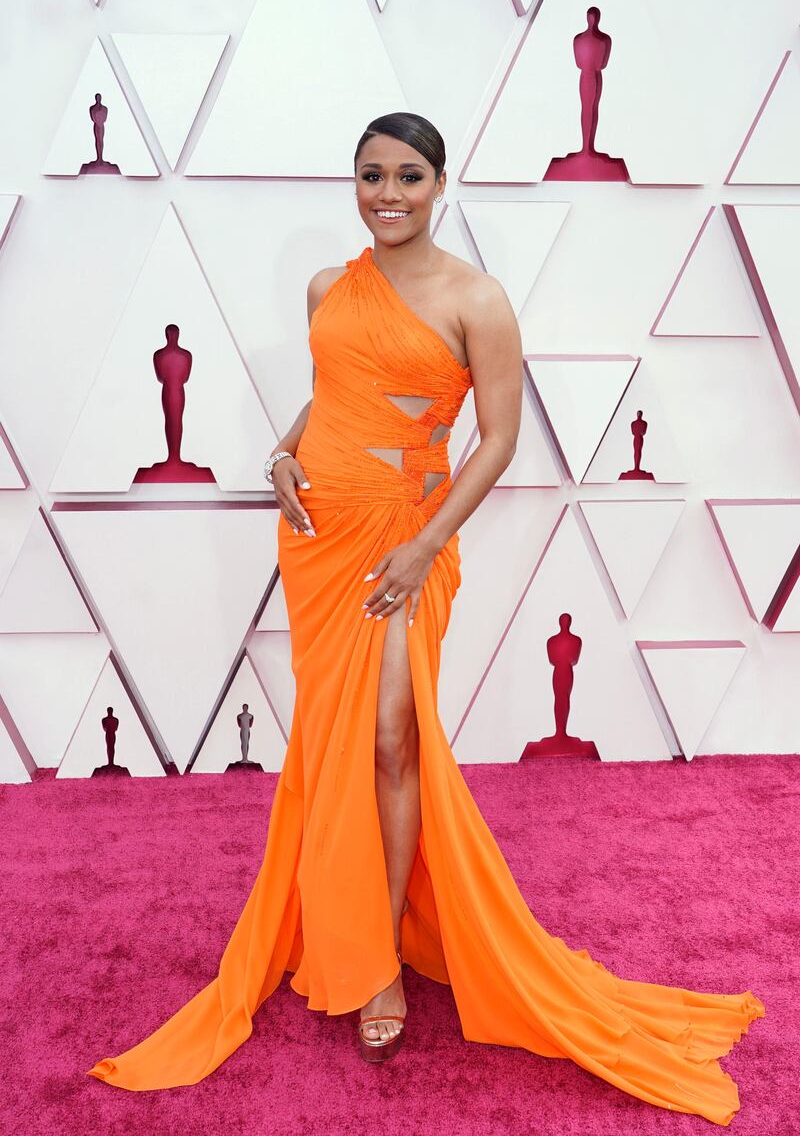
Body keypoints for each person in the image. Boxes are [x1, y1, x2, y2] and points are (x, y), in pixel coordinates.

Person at [86, 112, 764, 1124]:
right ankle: (358, 936)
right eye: (369, 176)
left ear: (440, 184)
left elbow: (493, 441)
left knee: (394, 740)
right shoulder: (329, 287)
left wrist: (423, 545)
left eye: (406, 175)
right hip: (321, 539)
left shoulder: (476, 299)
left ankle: (384, 965)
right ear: (352, 183)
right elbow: (329, 401)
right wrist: (279, 455)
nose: (385, 193)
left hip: (409, 537)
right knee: (335, 741)